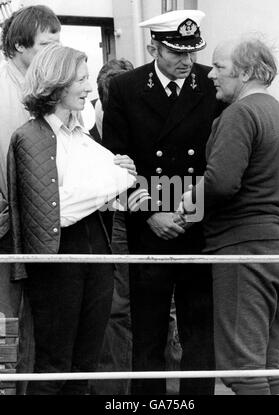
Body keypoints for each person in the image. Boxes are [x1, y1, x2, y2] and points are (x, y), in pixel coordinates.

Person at [102, 10, 224, 395]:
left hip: (197, 223)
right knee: (148, 333)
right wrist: (152, 213)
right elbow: (117, 162)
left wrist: (186, 213)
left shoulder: (212, 84)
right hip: (148, 227)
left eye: (192, 52)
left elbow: (220, 160)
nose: (186, 61)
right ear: (154, 46)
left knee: (199, 332)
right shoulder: (125, 88)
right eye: (176, 52)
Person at [7, 43, 136, 395]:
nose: (89, 88)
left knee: (84, 368)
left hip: (96, 257)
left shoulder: (82, 135)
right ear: (57, 83)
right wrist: (110, 182)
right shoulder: (29, 137)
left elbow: (122, 188)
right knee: (54, 368)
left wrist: (111, 182)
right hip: (57, 262)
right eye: (80, 79)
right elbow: (58, 212)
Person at [181, 36, 279, 395]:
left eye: (219, 67)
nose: (211, 75)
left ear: (246, 71)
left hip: (246, 252)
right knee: (267, 365)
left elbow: (220, 182)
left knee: (241, 371)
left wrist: (186, 201)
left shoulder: (240, 114)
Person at [0, 5, 61, 393]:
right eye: (45, 44)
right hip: (5, 224)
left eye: (58, 43)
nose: (54, 51)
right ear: (20, 45)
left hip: (44, 227)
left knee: (38, 324)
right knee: (5, 322)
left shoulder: (57, 87)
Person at [89, 58, 134, 395]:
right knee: (114, 310)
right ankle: (114, 394)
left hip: (142, 218)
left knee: (165, 309)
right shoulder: (86, 143)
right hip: (108, 226)